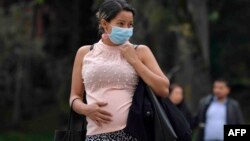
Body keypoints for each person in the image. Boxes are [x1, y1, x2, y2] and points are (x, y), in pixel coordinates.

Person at [69, 0, 170, 140]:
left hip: (133, 134)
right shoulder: (85, 53)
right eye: (121, 24)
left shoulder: (140, 51)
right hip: (95, 136)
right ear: (104, 24)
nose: (126, 29)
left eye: (130, 25)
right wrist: (85, 109)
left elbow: (164, 89)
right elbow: (74, 96)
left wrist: (135, 61)